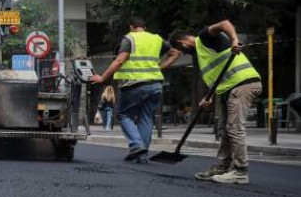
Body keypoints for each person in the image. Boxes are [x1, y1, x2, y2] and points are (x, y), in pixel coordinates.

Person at [164, 20, 262, 184]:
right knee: (224, 128)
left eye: (182, 50)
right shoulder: (202, 55)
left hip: (243, 83)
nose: (186, 53)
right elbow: (218, 77)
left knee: (234, 127)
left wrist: (234, 40)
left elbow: (224, 23)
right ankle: (222, 167)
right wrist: (208, 97)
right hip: (229, 89)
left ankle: (240, 171)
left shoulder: (204, 38)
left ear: (182, 43)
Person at [89, 17, 169, 163]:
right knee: (146, 118)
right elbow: (175, 52)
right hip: (156, 84)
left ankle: (136, 145)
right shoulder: (156, 39)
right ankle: (142, 155)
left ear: (131, 26)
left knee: (123, 114)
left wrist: (102, 78)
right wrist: (161, 67)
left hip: (134, 84)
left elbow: (120, 60)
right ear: (145, 26)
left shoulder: (130, 38)